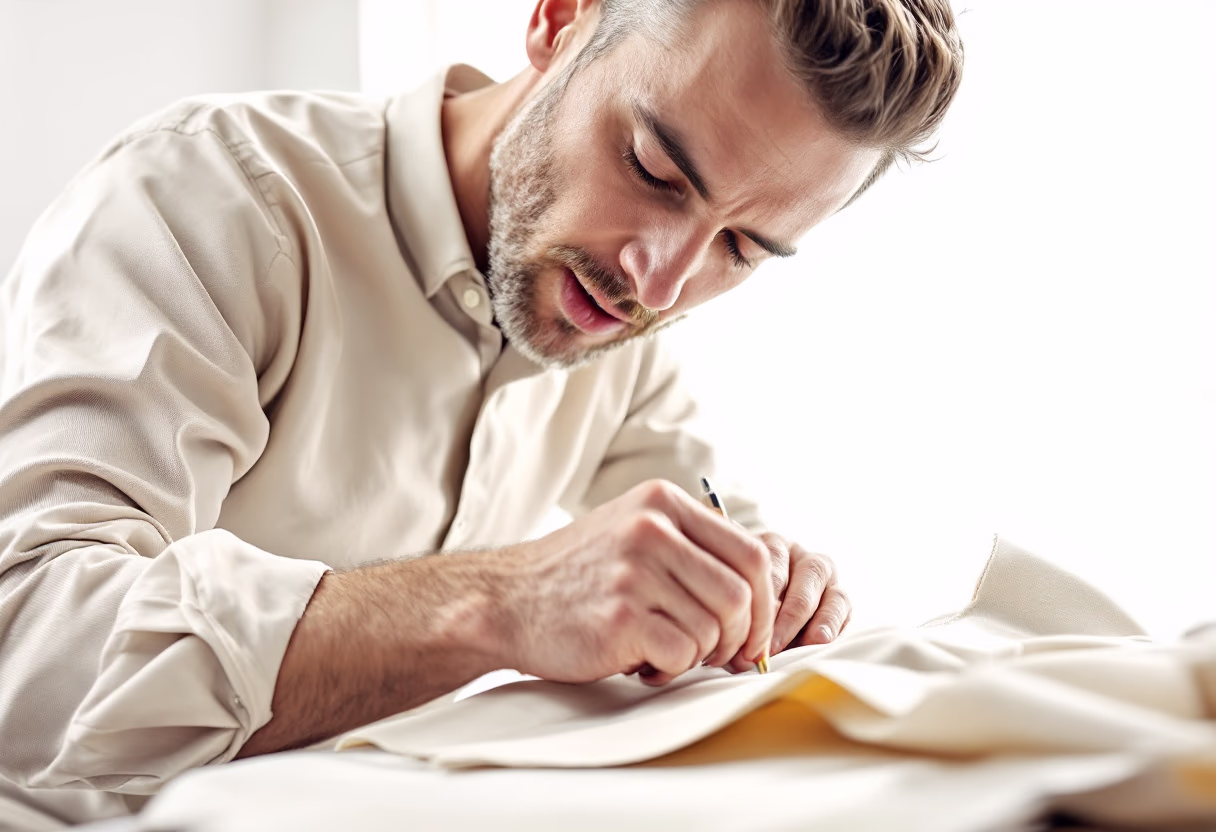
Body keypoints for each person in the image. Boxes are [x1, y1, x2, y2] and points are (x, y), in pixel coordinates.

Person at [0, 0, 963, 825]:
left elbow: (709, 537)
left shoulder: (620, 328)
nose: (660, 282)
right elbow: (27, 644)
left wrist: (767, 593)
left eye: (742, 249)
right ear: (557, 19)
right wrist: (500, 602)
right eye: (654, 170)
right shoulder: (206, 200)